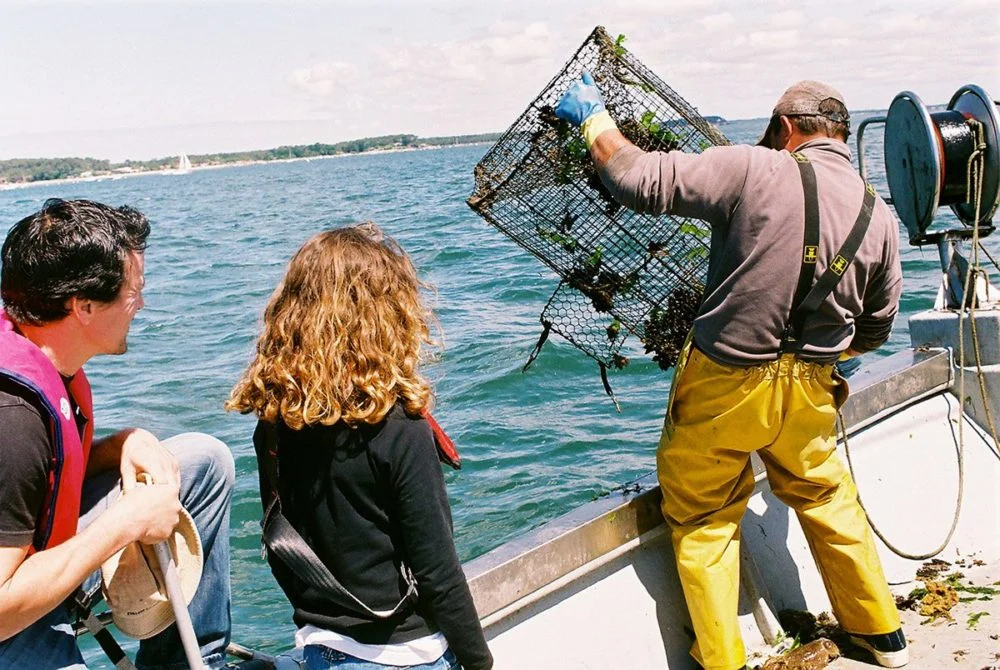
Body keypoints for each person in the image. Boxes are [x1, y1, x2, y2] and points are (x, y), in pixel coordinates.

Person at [555, 77, 906, 670]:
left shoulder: (752, 167)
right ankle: (882, 635)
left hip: (726, 379)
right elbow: (876, 328)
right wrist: (828, 350)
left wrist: (594, 119)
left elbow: (636, 177)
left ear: (786, 128)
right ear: (841, 136)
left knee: (704, 514)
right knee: (826, 495)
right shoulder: (879, 214)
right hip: (812, 388)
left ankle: (722, 659)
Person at [227, 224, 492, 670]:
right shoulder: (400, 428)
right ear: (387, 317)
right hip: (407, 656)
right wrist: (480, 663)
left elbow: (279, 548)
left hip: (321, 650)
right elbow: (438, 575)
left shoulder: (275, 423)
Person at [0, 198, 234, 668]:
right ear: (84, 306)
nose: (141, 304)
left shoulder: (45, 356)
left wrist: (123, 443)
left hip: (31, 555)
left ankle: (187, 661)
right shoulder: (13, 418)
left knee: (201, 460)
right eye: (134, 291)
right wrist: (125, 524)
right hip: (9, 614)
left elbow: (43, 478)